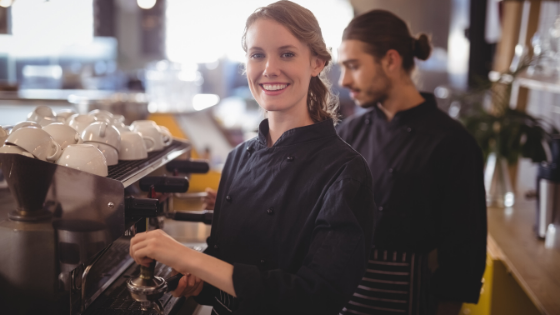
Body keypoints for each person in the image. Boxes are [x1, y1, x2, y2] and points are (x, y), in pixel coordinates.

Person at [129, 1, 375, 314]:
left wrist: (190, 257)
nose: (270, 68)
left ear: (317, 63)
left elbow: (316, 298)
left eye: (287, 54)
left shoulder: (345, 173)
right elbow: (225, 268)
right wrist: (198, 279)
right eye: (258, 54)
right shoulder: (237, 159)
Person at [336, 10, 487, 315]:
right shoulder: (347, 133)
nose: (344, 80)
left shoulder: (452, 142)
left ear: (390, 61)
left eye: (353, 66)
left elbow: (463, 251)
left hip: (412, 301)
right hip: (343, 296)